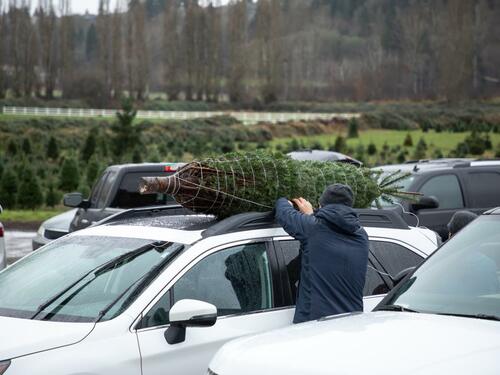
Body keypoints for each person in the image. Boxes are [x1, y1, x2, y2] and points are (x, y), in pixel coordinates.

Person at [275, 183, 369, 324]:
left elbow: (283, 213)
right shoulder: (361, 236)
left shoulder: (313, 228)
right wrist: (313, 215)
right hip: (351, 325)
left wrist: (284, 200)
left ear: (320, 204)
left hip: (316, 327)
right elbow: (323, 242)